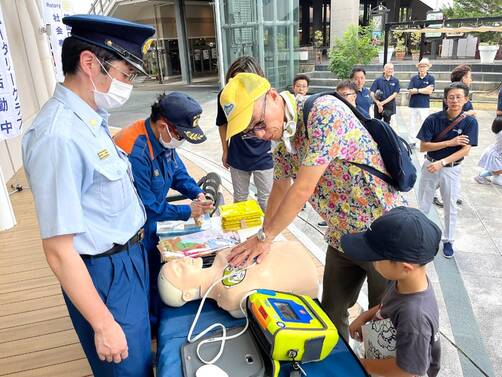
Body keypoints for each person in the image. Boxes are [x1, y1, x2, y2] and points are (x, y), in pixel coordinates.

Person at [219, 73, 406, 340]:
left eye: (259, 123)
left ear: (273, 96)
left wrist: (266, 238)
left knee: (382, 323)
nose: (260, 134)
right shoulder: (284, 138)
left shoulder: (324, 113)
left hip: (381, 232)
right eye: (251, 131)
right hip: (342, 235)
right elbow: (280, 188)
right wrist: (263, 234)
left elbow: (302, 189)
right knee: (330, 313)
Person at [22, 14, 155, 376]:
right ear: (89, 63)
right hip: (103, 273)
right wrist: (103, 324)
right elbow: (59, 250)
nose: (128, 84)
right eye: (126, 75)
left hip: (128, 259)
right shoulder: (58, 135)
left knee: (141, 361)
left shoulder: (90, 119)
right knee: (124, 367)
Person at [113, 92, 213, 333]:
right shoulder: (135, 149)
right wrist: (187, 211)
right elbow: (145, 207)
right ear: (163, 126)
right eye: (181, 135)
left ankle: (157, 320)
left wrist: (197, 194)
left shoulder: (164, 139)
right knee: (142, 283)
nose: (181, 141)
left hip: (152, 222)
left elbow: (178, 173)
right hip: (130, 231)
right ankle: (148, 329)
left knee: (158, 275)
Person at [344, 207, 441, 377]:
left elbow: (406, 371)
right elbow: (387, 305)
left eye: (375, 257)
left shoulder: (415, 317)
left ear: (405, 268)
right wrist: (365, 316)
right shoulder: (404, 281)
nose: (371, 261)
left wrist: (362, 365)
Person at [158, 241, 319, 317]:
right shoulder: (230, 298)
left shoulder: (222, 255)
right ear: (187, 294)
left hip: (291, 248)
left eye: (176, 262)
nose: (182, 262)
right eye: (179, 269)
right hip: (305, 276)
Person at [417, 82, 479, 259]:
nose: (455, 100)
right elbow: (423, 147)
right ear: (445, 99)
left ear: (466, 100)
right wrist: (449, 143)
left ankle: (448, 241)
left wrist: (442, 162)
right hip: (430, 165)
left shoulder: (469, 122)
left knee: (450, 206)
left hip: (451, 169)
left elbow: (466, 150)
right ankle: (420, 238)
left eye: (459, 97)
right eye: (451, 97)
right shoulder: (433, 119)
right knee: (423, 204)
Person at [216, 56, 273, 211]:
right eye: (235, 80)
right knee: (240, 198)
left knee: (266, 199)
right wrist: (225, 151)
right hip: (238, 153)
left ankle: (266, 233)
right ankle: (241, 233)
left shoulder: (266, 94)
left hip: (264, 154)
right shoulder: (225, 95)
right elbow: (222, 123)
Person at [316, 79, 358, 228]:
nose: (341, 100)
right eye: (338, 96)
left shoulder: (362, 118)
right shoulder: (332, 117)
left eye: (345, 95)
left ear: (355, 96)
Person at [435, 64, 476, 208]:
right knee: (445, 164)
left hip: (462, 131)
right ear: (462, 77)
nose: (471, 79)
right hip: (451, 132)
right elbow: (455, 112)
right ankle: (438, 195)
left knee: (456, 164)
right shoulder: (453, 93)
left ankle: (453, 193)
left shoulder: (463, 92)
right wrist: (469, 113)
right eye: (469, 76)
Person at [408, 58, 435, 148]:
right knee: (412, 123)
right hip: (413, 104)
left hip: (424, 105)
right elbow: (411, 90)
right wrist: (423, 90)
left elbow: (429, 91)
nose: (422, 68)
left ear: (428, 67)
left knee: (424, 124)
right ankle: (412, 141)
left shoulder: (431, 78)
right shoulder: (414, 78)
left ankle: (424, 141)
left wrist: (417, 90)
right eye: (420, 66)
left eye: (424, 66)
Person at [474, 116, 502, 186]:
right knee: (498, 170)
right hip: (494, 153)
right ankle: (480, 176)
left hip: (494, 151)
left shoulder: (499, 131)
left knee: (497, 169)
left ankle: (486, 176)